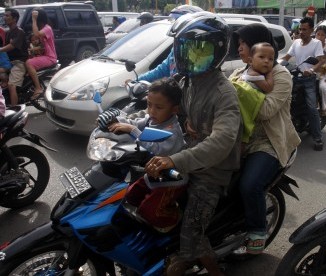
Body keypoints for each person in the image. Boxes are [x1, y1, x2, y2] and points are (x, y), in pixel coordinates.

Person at [143, 12, 241, 276]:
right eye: (185, 48)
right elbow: (160, 101)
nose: (190, 55)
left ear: (217, 51)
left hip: (211, 171)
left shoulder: (224, 94)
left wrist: (175, 160)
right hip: (185, 155)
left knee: (192, 233)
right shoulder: (187, 82)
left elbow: (222, 141)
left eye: (200, 49)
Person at [229, 23, 300, 254]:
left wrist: (236, 96)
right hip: (238, 141)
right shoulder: (238, 73)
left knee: (250, 185)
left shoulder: (281, 75)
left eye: (243, 45)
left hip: (268, 143)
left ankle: (258, 231)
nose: (239, 49)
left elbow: (266, 111)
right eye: (238, 45)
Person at [97, 77, 186, 233]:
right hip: (153, 172)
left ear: (174, 109)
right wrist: (115, 120)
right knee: (130, 195)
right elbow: (137, 122)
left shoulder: (172, 130)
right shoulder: (154, 119)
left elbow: (156, 148)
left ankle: (176, 217)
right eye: (149, 105)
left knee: (149, 211)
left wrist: (132, 130)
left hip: (171, 180)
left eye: (158, 107)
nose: (151, 111)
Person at [282, 17, 326, 151]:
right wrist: (276, 64)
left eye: (304, 29)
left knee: (312, 108)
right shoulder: (295, 43)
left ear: (311, 30)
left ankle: (318, 138)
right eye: (300, 29)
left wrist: (311, 69)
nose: (301, 31)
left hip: (309, 80)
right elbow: (286, 58)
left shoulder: (316, 43)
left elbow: (321, 61)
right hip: (295, 77)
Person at [25, 9, 57, 100]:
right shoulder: (44, 28)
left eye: (35, 20)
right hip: (45, 56)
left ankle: (38, 88)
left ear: (39, 19)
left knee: (29, 63)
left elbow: (36, 34)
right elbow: (41, 45)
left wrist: (34, 19)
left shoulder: (47, 28)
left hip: (50, 57)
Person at [0, 8, 28, 106]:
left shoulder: (19, 32)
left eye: (7, 16)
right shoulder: (7, 32)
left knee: (11, 85)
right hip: (9, 62)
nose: (4, 17)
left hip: (18, 62)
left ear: (15, 18)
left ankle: (14, 110)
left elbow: (11, 46)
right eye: (4, 15)